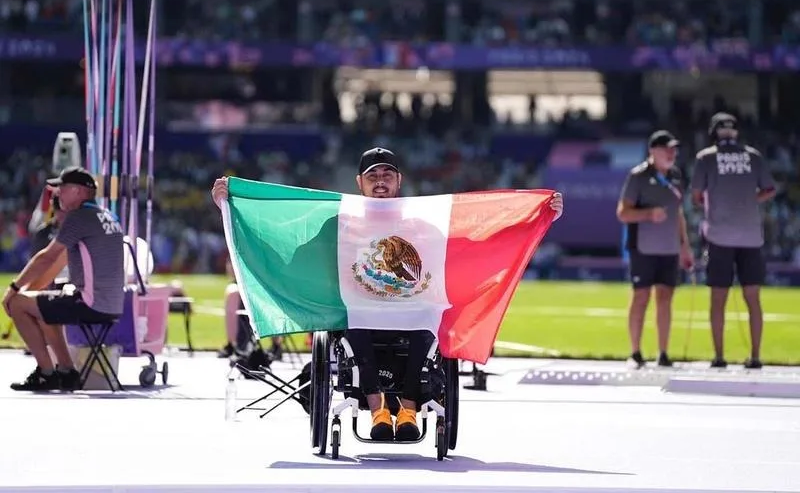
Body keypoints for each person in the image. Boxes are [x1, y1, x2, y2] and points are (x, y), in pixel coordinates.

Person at [211, 147, 564, 441]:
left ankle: (408, 411)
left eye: (387, 175)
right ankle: (379, 410)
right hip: (359, 312)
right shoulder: (340, 221)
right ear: (359, 183)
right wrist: (231, 207)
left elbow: (468, 245)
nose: (380, 182)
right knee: (358, 322)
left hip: (412, 312)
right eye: (373, 176)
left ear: (398, 181)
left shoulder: (421, 222)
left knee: (426, 322)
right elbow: (299, 259)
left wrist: (535, 217)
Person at [3, 167, 125, 391]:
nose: (57, 193)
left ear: (78, 191)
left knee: (18, 304)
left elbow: (47, 258)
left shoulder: (78, 217)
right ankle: (66, 372)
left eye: (62, 188)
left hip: (91, 304)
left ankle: (47, 373)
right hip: (113, 304)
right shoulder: (107, 215)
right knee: (44, 307)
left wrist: (14, 289)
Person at [690, 113, 776, 369]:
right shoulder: (753, 156)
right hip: (750, 236)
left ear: (714, 132)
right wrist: (749, 201)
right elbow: (769, 189)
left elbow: (696, 196)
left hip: (719, 235)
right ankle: (756, 356)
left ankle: (719, 357)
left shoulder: (705, 158)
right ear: (736, 132)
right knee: (753, 298)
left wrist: (716, 203)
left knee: (718, 299)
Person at [617, 130, 694, 368]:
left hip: (669, 247)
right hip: (643, 246)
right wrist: (649, 214)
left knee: (665, 298)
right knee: (641, 297)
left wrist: (685, 246)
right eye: (667, 149)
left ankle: (663, 352)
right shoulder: (638, 176)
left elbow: (678, 213)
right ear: (653, 151)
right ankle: (635, 352)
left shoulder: (676, 176)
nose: (672, 153)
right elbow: (622, 213)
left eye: (674, 149)